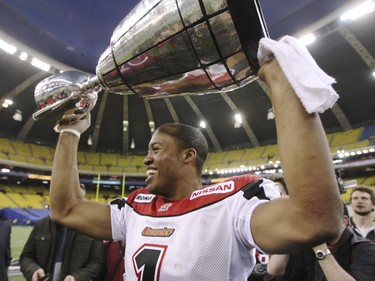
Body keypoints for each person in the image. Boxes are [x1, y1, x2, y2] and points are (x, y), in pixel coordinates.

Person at [48, 50, 343, 279]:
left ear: (188, 156)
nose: (146, 158)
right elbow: (66, 209)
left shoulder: (232, 205)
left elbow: (314, 222)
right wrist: (70, 134)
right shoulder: (137, 208)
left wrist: (282, 80)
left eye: (156, 149)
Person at [265, 203, 375, 280]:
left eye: (324, 216)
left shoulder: (366, 249)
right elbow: (274, 272)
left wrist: (320, 248)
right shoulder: (306, 246)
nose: (317, 222)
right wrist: (290, 236)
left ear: (344, 221)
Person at [20, 185, 104, 281]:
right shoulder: (41, 225)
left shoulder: (91, 228)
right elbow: (26, 257)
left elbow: (97, 262)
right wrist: (33, 270)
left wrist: (78, 277)